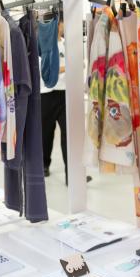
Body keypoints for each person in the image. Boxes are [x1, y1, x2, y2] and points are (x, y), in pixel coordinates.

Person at [40, 17, 92, 184]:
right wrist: (69, 66)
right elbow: (44, 68)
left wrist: (75, 65)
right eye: (62, 23)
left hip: (65, 94)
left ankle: (73, 174)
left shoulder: (65, 43)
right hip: (46, 94)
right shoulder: (42, 42)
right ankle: (43, 165)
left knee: (69, 136)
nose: (63, 27)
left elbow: (75, 63)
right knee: (46, 134)